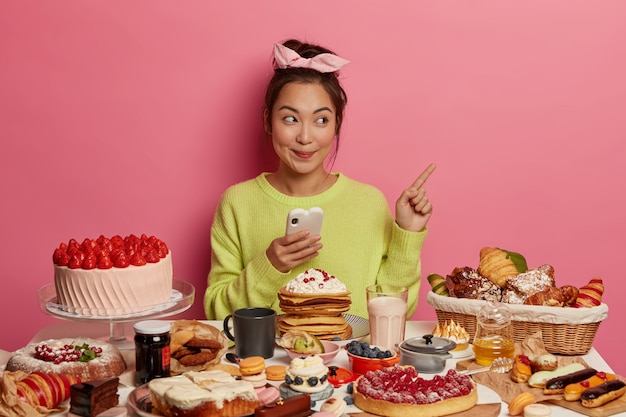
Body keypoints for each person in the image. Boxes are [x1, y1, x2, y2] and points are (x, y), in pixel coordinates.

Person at [204, 39, 435, 320]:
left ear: (337, 124)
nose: (305, 137)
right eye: (290, 119)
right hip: (269, 363)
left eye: (321, 120)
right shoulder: (237, 203)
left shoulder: (370, 203)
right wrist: (270, 266)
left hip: (350, 363)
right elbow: (218, 314)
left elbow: (393, 312)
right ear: (268, 121)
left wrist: (407, 234)